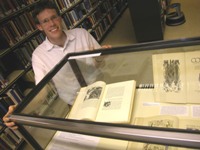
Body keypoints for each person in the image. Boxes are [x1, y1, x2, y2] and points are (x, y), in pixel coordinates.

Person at [3, 0, 111, 129]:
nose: (52, 24)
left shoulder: (81, 33)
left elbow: (99, 63)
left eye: (54, 17)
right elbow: (42, 92)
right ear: (39, 27)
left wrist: (101, 57)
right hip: (75, 103)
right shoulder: (39, 55)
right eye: (45, 21)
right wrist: (21, 109)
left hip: (101, 89)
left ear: (60, 18)